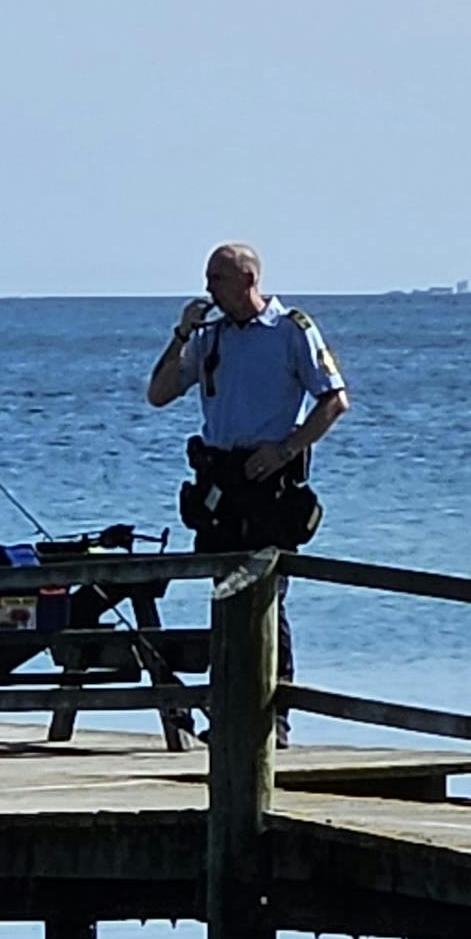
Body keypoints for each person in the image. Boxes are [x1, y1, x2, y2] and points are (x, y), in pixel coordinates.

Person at [147, 243, 345, 688]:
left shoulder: (291, 330)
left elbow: (334, 401)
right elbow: (158, 394)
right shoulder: (210, 336)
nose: (208, 289)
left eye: (217, 279)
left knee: (266, 595)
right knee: (224, 592)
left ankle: (274, 712)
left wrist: (285, 449)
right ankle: (227, 703)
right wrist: (181, 335)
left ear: (248, 281)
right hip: (220, 480)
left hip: (268, 480)